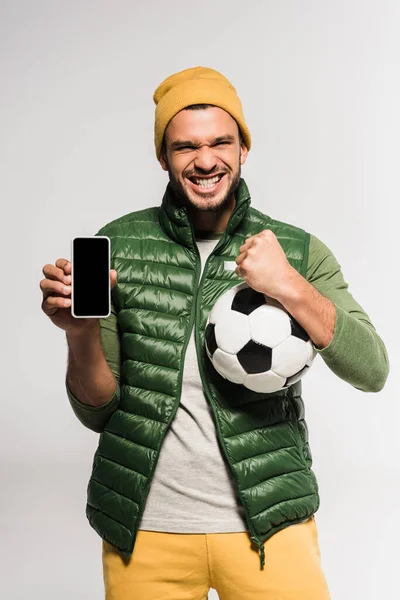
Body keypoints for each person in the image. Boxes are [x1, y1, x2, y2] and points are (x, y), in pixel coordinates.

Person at [40, 66, 389, 600]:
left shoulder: (296, 250)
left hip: (270, 527)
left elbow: (373, 371)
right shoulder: (116, 244)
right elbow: (96, 412)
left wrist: (290, 285)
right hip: (145, 531)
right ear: (164, 157)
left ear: (244, 148)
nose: (205, 161)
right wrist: (79, 333)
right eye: (185, 147)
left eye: (221, 142)